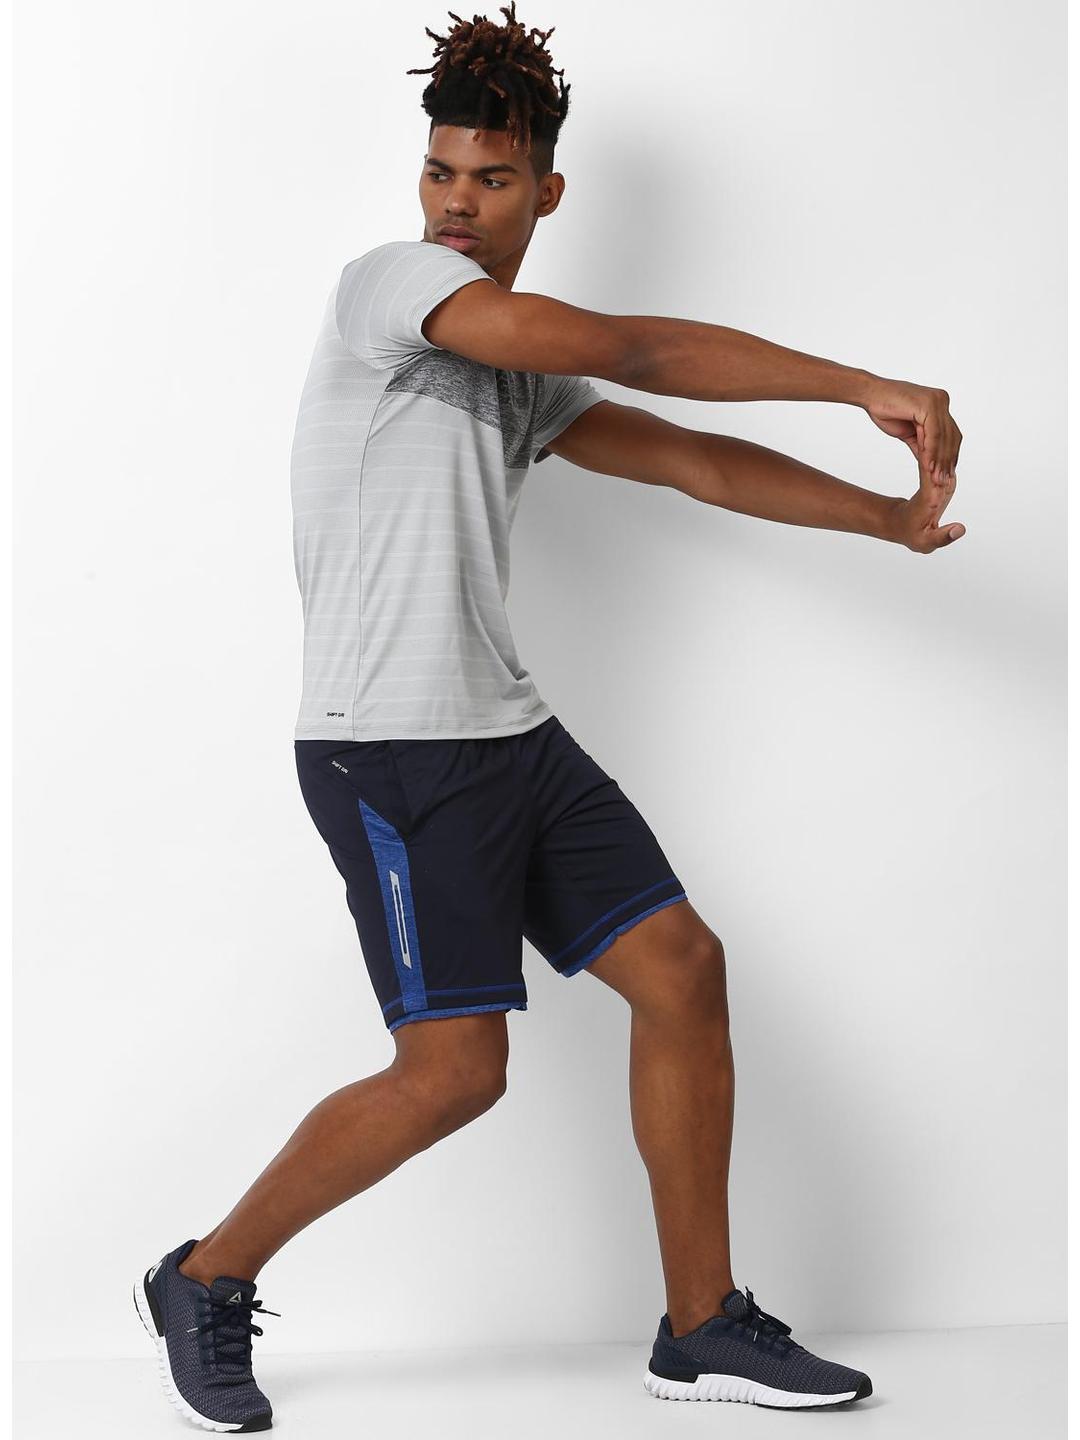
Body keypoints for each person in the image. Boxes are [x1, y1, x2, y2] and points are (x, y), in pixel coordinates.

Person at [132, 3, 964, 1429]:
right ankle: (203, 1275)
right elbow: (635, 348)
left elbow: (692, 461)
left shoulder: (517, 377)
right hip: (390, 747)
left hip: (510, 734)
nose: (458, 203)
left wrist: (886, 519)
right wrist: (856, 385)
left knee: (682, 970)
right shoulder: (391, 286)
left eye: (493, 179)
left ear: (547, 192)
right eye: (441, 171)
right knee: (456, 1075)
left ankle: (700, 1325)